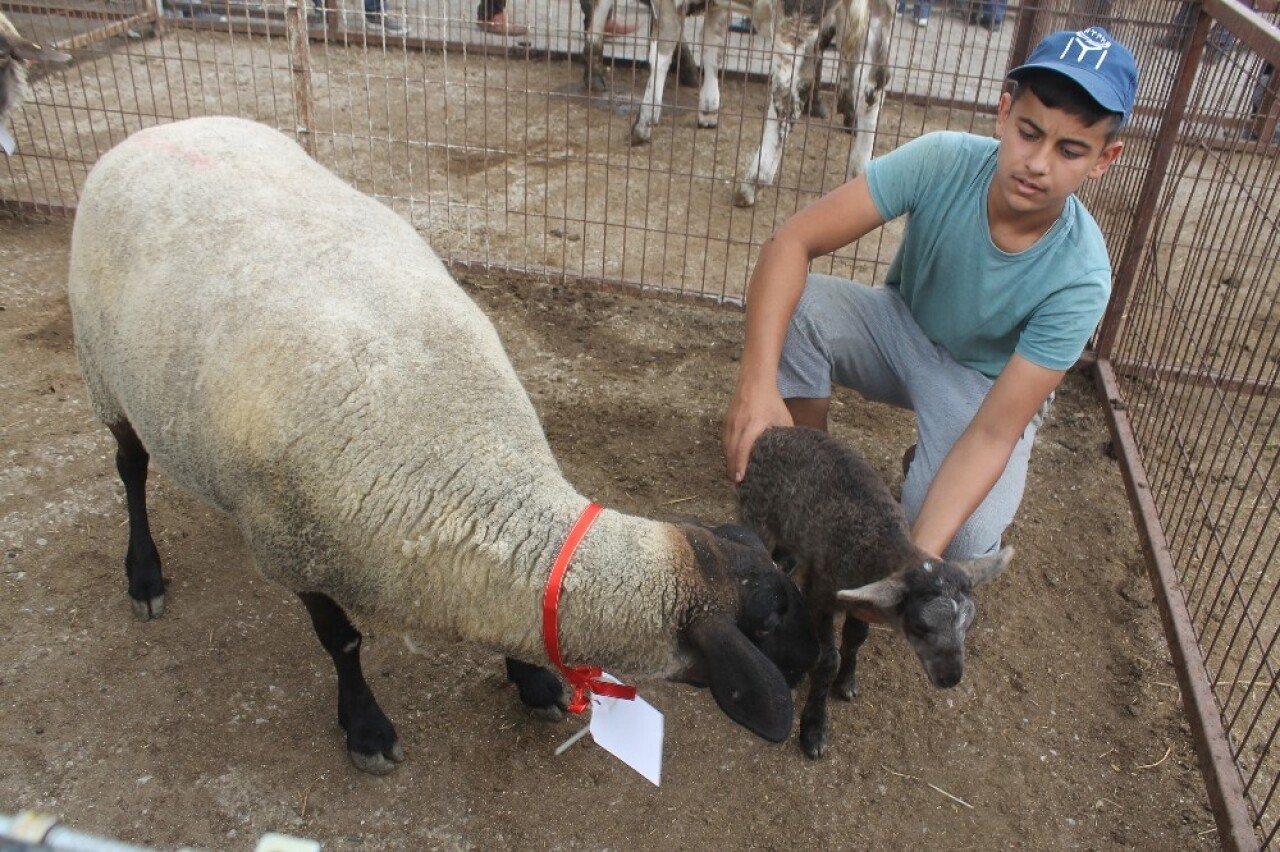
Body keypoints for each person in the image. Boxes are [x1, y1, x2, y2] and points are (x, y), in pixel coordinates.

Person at [721, 26, 1138, 561]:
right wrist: (755, 385)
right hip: (902, 329)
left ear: (1104, 159)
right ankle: (814, 481)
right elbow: (790, 243)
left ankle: (929, 467)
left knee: (960, 540)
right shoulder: (944, 159)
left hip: (984, 391)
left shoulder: (1082, 274)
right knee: (798, 308)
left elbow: (992, 433)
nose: (1038, 162)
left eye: (1071, 150)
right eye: (1030, 132)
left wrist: (910, 567)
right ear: (1004, 112)